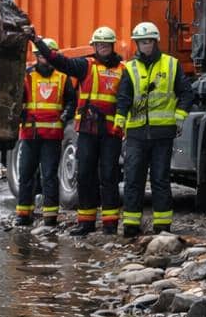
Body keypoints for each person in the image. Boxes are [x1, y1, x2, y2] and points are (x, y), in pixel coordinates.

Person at [37, 27, 126, 235]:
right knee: (85, 175)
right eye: (99, 44)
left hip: (111, 132)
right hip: (87, 130)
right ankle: (85, 222)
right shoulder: (85, 65)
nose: (102, 47)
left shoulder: (124, 70)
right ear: (94, 46)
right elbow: (59, 61)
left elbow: (126, 99)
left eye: (106, 44)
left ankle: (110, 224)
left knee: (109, 176)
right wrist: (38, 42)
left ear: (112, 46)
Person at [114, 21, 194, 236]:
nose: (145, 45)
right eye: (141, 42)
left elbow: (187, 93)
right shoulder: (130, 68)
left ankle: (162, 226)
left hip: (162, 133)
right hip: (136, 134)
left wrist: (179, 116)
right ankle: (131, 225)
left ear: (155, 42)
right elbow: (123, 98)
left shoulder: (171, 64)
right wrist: (119, 120)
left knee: (160, 178)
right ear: (137, 44)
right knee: (133, 178)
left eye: (148, 41)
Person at [14, 40, 76, 227]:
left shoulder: (63, 77)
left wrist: (66, 116)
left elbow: (72, 101)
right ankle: (23, 215)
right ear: (36, 56)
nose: (44, 59)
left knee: (49, 175)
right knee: (26, 174)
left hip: (52, 136)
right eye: (40, 55)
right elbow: (16, 98)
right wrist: (20, 113)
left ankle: (50, 217)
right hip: (30, 134)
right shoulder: (26, 76)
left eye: (47, 55)